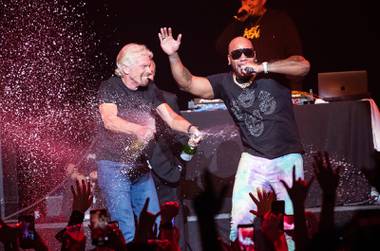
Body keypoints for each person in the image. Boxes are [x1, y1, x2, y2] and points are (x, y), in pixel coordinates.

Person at [158, 27, 310, 246]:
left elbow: (303, 66)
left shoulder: (273, 73)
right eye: (236, 54)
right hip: (254, 159)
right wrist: (173, 55)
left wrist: (263, 67)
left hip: (287, 158)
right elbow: (187, 83)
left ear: (255, 55)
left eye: (247, 52)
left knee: (290, 224)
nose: (243, 58)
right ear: (229, 60)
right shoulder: (224, 83)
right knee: (240, 222)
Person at [95, 43, 201, 243]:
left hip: (140, 166)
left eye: (149, 65)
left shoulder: (150, 89)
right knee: (125, 227)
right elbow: (109, 120)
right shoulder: (110, 86)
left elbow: (170, 118)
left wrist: (191, 129)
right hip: (113, 165)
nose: (149, 70)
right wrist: (139, 129)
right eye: (143, 66)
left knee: (154, 222)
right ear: (126, 69)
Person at [215, 0, 305, 90]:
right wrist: (239, 21)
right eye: (244, 0)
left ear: (263, 1)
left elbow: (295, 56)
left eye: (252, 0)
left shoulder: (279, 19)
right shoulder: (240, 24)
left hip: (273, 85)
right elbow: (221, 46)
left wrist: (295, 90)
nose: (248, 3)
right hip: (244, 88)